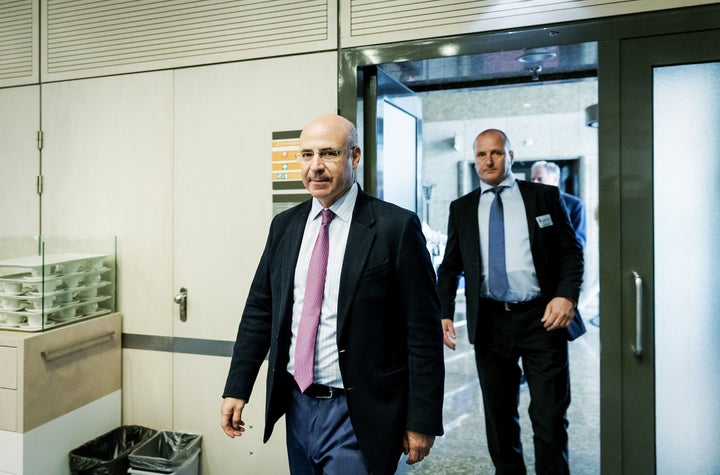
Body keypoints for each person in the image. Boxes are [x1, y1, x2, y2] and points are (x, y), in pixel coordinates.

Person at [221, 113, 445, 474]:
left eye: (329, 153)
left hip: (359, 411)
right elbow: (260, 310)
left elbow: (423, 331)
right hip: (296, 404)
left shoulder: (395, 227)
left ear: (354, 157)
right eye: (306, 155)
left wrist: (422, 419)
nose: (316, 167)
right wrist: (237, 387)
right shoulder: (286, 226)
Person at [437, 129, 585, 474]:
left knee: (549, 415)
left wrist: (565, 295)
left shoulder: (543, 197)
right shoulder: (463, 208)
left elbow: (570, 253)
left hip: (541, 318)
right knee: (500, 416)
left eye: (496, 153)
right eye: (481, 155)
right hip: (491, 322)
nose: (489, 161)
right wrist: (443, 311)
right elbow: (450, 266)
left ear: (511, 156)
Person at [530, 160, 586, 249]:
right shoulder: (530, 204)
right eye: (533, 179)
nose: (534, 183)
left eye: (540, 179)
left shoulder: (575, 205)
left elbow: (579, 242)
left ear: (555, 180)